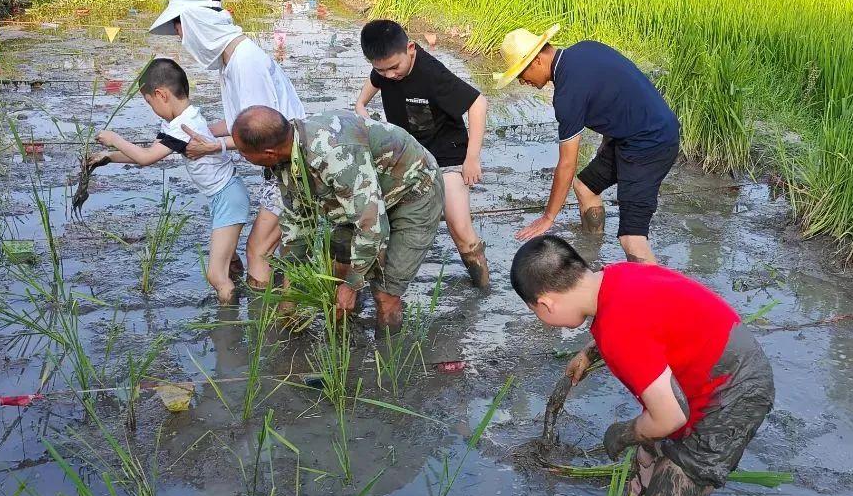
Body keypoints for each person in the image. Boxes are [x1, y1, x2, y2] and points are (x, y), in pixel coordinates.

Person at [510, 236, 774, 496]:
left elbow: (671, 416)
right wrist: (589, 353)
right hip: (719, 362)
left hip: (734, 393)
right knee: (638, 490)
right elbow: (647, 321)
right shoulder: (615, 277)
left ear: (546, 304)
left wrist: (623, 433)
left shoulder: (619, 330)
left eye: (537, 313)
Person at [148, 0, 306, 289]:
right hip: (281, 167)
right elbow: (237, 122)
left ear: (197, 22)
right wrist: (190, 132)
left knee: (257, 250)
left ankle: (264, 328)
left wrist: (213, 148)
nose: (181, 37)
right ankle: (289, 315)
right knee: (282, 250)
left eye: (180, 28)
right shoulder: (231, 63)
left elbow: (262, 134)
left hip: (295, 164)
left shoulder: (245, 63)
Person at [230, 105, 442, 335]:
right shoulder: (287, 156)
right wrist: (291, 288)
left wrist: (352, 285)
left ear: (268, 152)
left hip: (413, 193)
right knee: (335, 274)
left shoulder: (334, 156)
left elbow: (372, 228)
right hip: (362, 199)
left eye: (243, 153)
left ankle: (385, 360)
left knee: (385, 292)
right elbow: (297, 222)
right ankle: (343, 337)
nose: (241, 157)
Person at [494, 26, 680, 264]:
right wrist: (606, 146)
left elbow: (567, 164)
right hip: (634, 134)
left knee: (631, 239)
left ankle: (655, 299)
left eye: (520, 74)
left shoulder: (567, 96)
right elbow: (616, 96)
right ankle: (593, 255)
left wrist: (548, 217)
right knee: (585, 187)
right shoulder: (585, 49)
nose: (522, 82)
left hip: (650, 144)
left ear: (537, 61)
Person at [90, 58, 249, 303]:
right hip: (223, 195)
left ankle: (229, 329)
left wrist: (114, 138)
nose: (151, 108)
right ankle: (244, 293)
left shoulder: (182, 127)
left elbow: (145, 158)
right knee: (229, 262)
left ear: (161, 95)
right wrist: (109, 158)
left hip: (228, 197)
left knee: (216, 276)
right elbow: (147, 152)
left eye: (149, 102)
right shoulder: (180, 121)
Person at [354, 20, 490, 289]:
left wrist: (471, 158)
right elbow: (368, 91)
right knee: (382, 220)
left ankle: (483, 287)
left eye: (395, 67)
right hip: (409, 156)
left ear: (411, 49)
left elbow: (478, 102)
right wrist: (363, 110)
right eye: (382, 70)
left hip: (447, 156)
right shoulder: (383, 70)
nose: (390, 75)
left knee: (459, 227)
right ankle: (377, 284)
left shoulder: (431, 73)